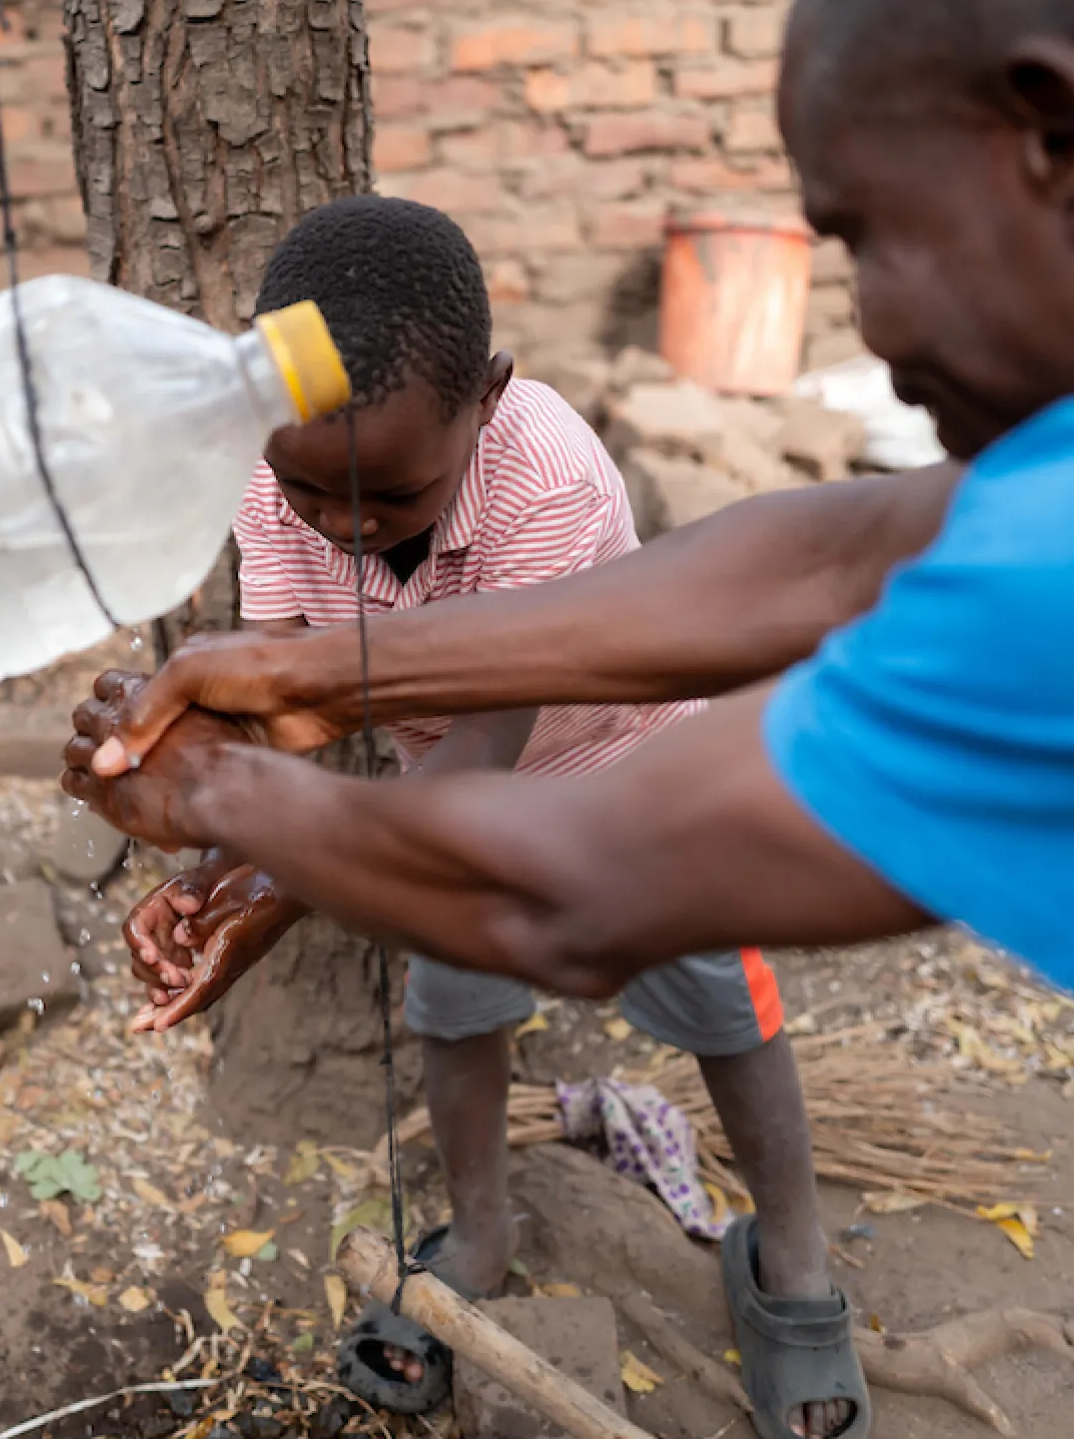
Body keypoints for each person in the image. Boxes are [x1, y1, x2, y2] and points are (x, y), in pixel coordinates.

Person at [68, 0, 1074, 1179]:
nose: (872, 326)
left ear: (1060, 135)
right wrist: (315, 670)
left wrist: (213, 793)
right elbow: (846, 550)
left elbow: (572, 885)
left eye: (862, 235)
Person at [113, 196, 865, 1436]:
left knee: (726, 1012)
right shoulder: (280, 472)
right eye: (313, 498)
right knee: (455, 1011)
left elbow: (482, 743)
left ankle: (792, 1265)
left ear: (488, 400)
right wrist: (209, 833)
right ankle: (481, 1230)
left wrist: (286, 871)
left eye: (390, 501)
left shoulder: (549, 479)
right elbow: (292, 700)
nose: (344, 527)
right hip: (443, 804)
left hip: (632, 783)